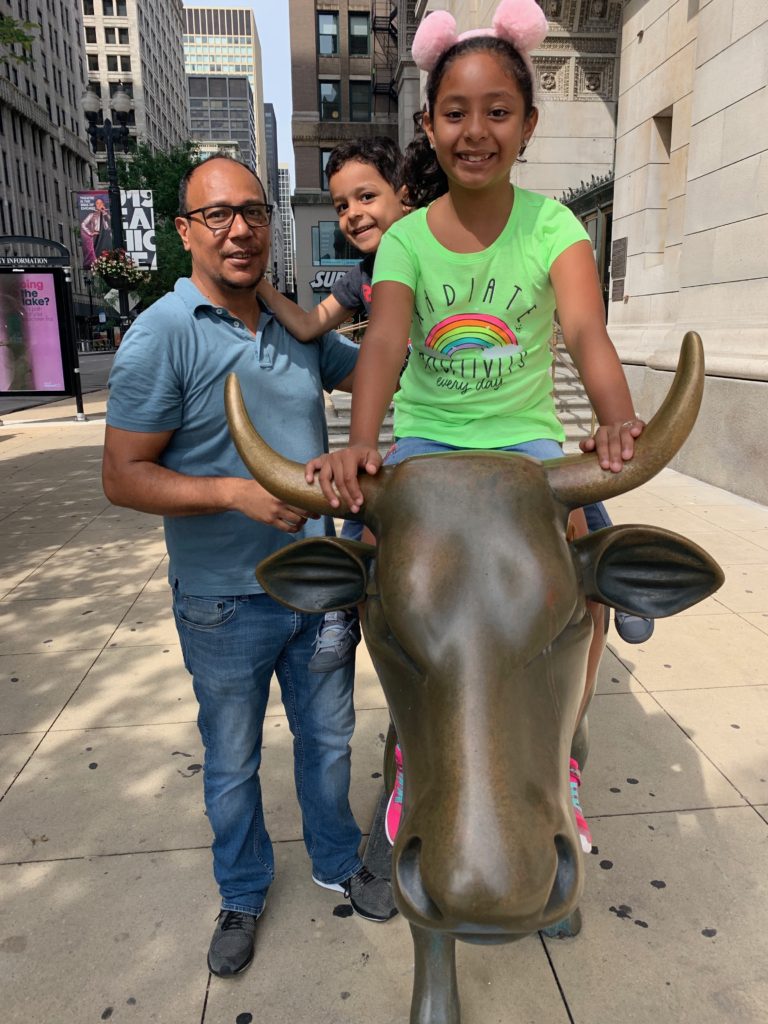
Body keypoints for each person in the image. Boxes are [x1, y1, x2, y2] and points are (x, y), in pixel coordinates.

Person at [304, 0, 649, 850]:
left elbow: (583, 331)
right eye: (456, 112)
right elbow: (384, 338)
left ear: (528, 124)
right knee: (388, 572)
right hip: (429, 438)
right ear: (430, 122)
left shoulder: (556, 225)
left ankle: (566, 735)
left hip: (525, 439)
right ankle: (413, 741)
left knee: (578, 555)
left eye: (498, 111)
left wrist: (616, 423)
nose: (476, 130)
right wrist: (364, 440)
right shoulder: (408, 240)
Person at [102, 155, 396, 981]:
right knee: (231, 761)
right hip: (224, 601)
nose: (239, 229)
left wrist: (401, 264)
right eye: (218, 215)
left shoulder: (295, 329)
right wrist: (235, 492)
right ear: (185, 231)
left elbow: (383, 365)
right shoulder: (162, 332)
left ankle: (337, 859)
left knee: (330, 740)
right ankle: (241, 890)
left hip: (324, 584)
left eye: (254, 213)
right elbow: (123, 475)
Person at [256, 137, 409, 675]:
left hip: (476, 411)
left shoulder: (439, 249)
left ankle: (604, 576)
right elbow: (306, 324)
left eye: (366, 197)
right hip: (421, 426)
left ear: (404, 195)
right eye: (341, 205)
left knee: (570, 498)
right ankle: (342, 612)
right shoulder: (360, 279)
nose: (352, 214)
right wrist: (262, 287)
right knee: (359, 501)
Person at [80, 197, 113, 270]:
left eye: (101, 203)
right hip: (97, 236)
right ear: (95, 205)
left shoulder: (106, 214)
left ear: (103, 204)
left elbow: (111, 223)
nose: (99, 205)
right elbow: (83, 224)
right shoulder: (92, 215)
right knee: (98, 254)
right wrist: (90, 233)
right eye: (97, 203)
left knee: (109, 254)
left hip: (106, 236)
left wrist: (104, 213)